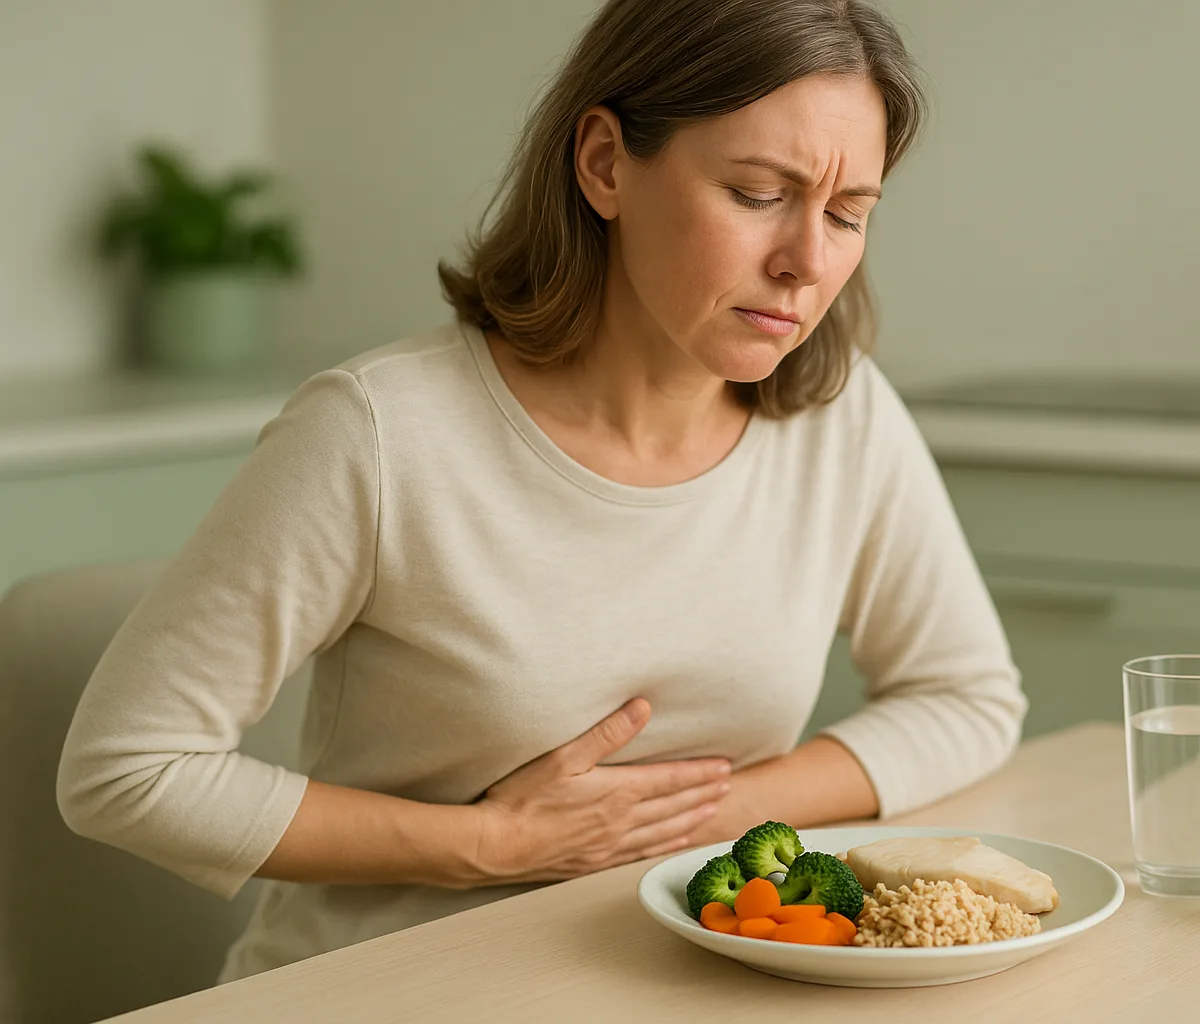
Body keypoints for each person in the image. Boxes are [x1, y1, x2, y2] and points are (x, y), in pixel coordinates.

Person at [56, 0, 1025, 983]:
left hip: (690, 985)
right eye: (755, 192)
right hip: (384, 989)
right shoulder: (379, 433)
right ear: (605, 163)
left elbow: (968, 695)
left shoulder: (841, 414)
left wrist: (709, 815)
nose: (808, 263)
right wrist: (493, 843)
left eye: (849, 212)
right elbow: (127, 769)